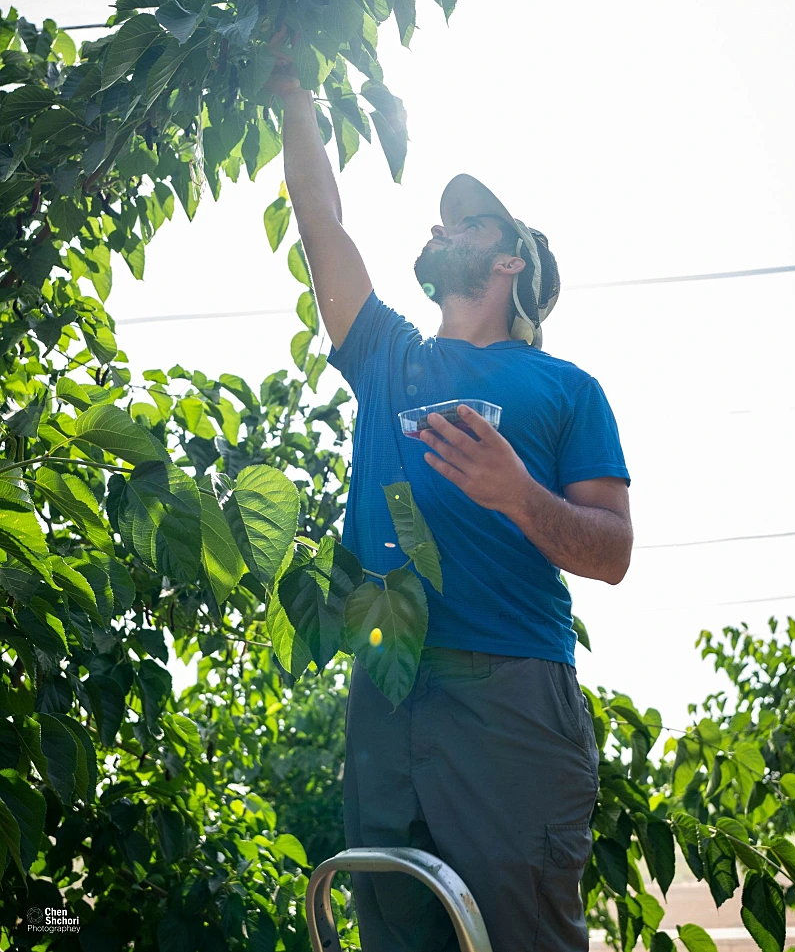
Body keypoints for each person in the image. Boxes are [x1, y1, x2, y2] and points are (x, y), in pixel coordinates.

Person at [268, 50, 633, 952]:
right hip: (388, 695)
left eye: (464, 222)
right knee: (397, 934)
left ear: (510, 259)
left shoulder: (565, 388)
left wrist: (518, 494)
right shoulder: (391, 357)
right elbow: (323, 227)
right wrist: (289, 94)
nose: (441, 226)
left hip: (509, 694)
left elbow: (613, 552)